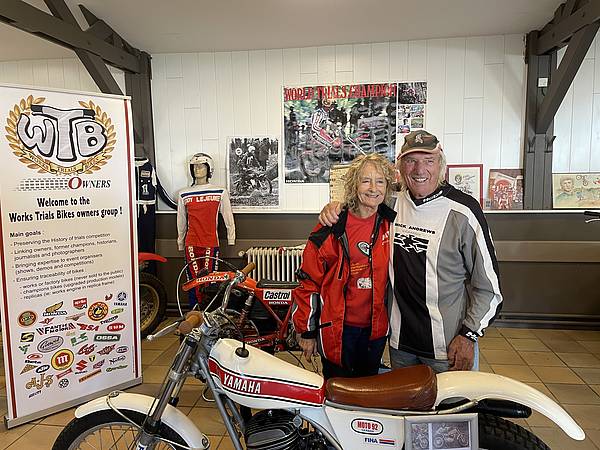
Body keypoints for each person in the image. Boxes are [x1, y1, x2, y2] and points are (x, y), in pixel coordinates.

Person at [319, 130, 503, 373]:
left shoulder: (464, 211)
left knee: (455, 400)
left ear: (441, 165)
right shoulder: (392, 201)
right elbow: (362, 199)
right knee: (402, 399)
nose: (419, 169)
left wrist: (469, 335)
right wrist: (335, 208)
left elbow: (489, 287)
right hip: (400, 347)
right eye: (411, 161)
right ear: (400, 166)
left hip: (447, 349)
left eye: (429, 161)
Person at [292, 153, 396, 379]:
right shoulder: (332, 226)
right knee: (337, 390)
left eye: (380, 181)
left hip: (376, 330)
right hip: (338, 329)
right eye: (365, 180)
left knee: (368, 388)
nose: (373, 188)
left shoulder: (392, 223)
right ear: (353, 185)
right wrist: (306, 331)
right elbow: (308, 281)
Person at [177, 153, 235, 308]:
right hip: (191, 243)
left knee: (210, 280)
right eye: (195, 166)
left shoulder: (219, 192)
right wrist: (180, 242)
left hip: (210, 243)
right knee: (193, 280)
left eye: (201, 166)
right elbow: (181, 220)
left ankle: (209, 313)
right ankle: (194, 312)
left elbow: (228, 216)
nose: (197, 169)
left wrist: (231, 237)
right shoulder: (184, 194)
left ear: (209, 169)